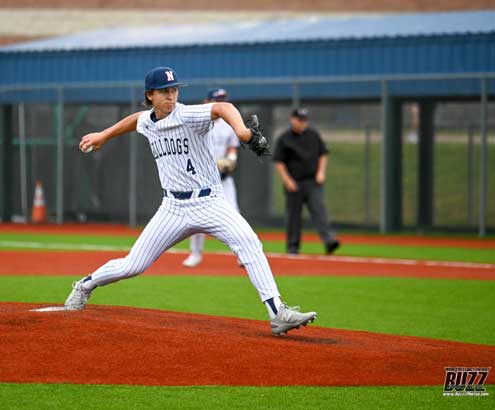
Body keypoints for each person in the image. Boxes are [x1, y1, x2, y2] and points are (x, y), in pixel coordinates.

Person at [64, 66, 317, 336]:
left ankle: (277, 313)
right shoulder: (147, 121)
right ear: (149, 95)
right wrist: (103, 135)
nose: (171, 95)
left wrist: (242, 132)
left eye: (174, 89)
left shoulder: (188, 114)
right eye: (164, 91)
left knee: (249, 241)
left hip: (210, 203)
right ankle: (85, 285)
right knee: (132, 265)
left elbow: (222, 107)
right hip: (172, 208)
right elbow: (136, 119)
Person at [182, 88, 241, 268]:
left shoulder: (228, 122)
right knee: (197, 216)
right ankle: (196, 254)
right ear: (206, 101)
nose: (220, 102)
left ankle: (241, 254)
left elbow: (232, 148)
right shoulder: (196, 122)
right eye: (217, 99)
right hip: (201, 178)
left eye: (223, 99)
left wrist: (230, 161)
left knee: (234, 214)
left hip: (223, 178)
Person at [273, 107, 340, 255]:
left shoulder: (313, 135)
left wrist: (321, 172)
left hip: (312, 181)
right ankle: (293, 246)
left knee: (319, 211)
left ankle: (329, 241)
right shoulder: (284, 138)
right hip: (294, 182)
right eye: (299, 120)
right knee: (294, 216)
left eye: (304, 120)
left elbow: (323, 153)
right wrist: (287, 180)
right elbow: (279, 161)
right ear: (292, 119)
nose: (302, 123)